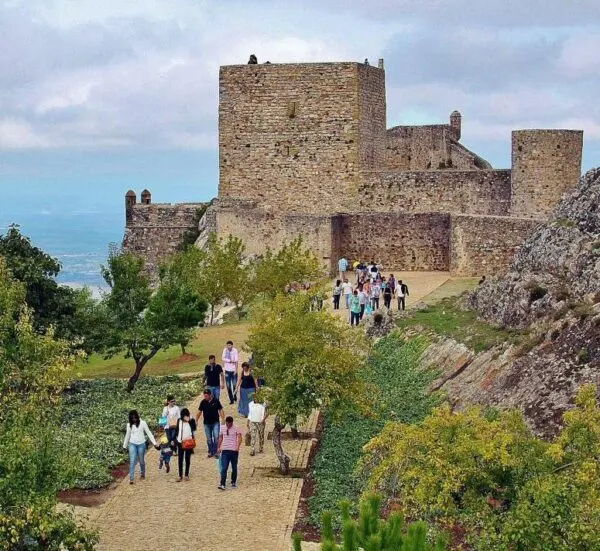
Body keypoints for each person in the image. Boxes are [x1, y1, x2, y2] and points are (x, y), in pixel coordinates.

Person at [123, 410, 159, 485]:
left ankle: (143, 473)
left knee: (141, 460)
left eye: (135, 418)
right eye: (132, 418)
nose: (134, 420)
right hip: (132, 444)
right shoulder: (129, 425)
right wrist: (124, 446)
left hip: (141, 444)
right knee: (132, 460)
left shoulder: (143, 423)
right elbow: (127, 435)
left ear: (137, 417)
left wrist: (155, 443)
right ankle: (131, 478)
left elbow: (148, 433)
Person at [196, 389, 225, 458]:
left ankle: (216, 451)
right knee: (209, 438)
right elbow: (199, 411)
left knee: (216, 437)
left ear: (210, 395)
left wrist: (223, 419)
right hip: (206, 423)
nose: (205, 397)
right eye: (204, 396)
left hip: (215, 422)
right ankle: (210, 451)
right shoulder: (203, 402)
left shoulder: (216, 401)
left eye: (206, 396)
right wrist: (196, 420)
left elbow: (220, 410)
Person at [217, 416, 243, 490]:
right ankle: (222, 483)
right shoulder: (222, 427)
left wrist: (237, 447)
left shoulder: (236, 427)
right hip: (225, 450)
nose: (228, 425)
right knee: (224, 467)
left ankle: (233, 481)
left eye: (230, 424)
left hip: (233, 450)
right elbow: (220, 437)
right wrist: (218, 447)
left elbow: (240, 437)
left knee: (234, 467)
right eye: (227, 424)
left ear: (232, 422)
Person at [175, 408, 197, 482]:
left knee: (187, 458)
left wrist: (190, 420)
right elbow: (177, 430)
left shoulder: (190, 421)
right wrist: (173, 440)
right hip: (180, 442)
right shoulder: (179, 421)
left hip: (188, 442)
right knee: (180, 459)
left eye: (186, 416)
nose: (184, 418)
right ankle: (180, 475)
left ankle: (186, 474)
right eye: (183, 416)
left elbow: (194, 428)